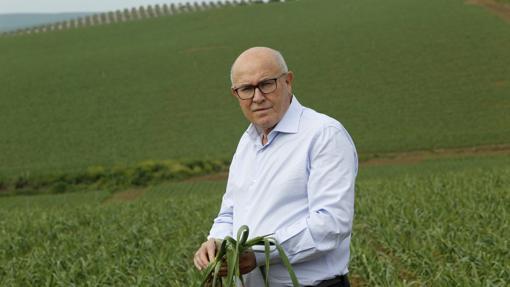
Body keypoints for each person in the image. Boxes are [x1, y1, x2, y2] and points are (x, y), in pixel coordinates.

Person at [193, 47, 357, 287]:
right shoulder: (247, 143)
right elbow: (230, 211)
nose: (257, 97)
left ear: (288, 81)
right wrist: (216, 243)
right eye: (246, 89)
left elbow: (330, 224)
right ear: (235, 94)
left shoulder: (323, 135)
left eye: (266, 84)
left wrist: (258, 255)